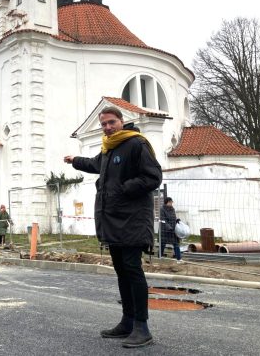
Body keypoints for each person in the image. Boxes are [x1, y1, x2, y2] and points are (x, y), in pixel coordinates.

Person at [64, 106, 162, 349]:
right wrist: (75, 160)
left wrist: (124, 188)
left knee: (132, 269)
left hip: (133, 220)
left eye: (111, 122)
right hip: (113, 220)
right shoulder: (109, 148)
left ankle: (142, 327)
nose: (107, 127)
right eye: (104, 124)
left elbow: (153, 177)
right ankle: (127, 322)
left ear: (121, 121)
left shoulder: (136, 144)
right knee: (121, 271)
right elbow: (96, 164)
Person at [160, 197, 182, 261]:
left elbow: (174, 217)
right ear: (167, 202)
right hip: (165, 230)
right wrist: (168, 227)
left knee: (176, 244)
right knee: (163, 244)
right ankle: (159, 257)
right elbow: (163, 220)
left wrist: (177, 220)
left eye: (172, 202)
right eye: (170, 202)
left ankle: (179, 259)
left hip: (173, 230)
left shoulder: (172, 209)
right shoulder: (162, 209)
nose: (172, 203)